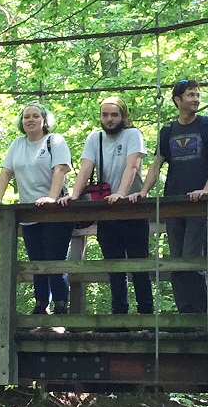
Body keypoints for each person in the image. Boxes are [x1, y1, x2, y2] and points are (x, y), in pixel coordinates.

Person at [128, 79, 208, 314]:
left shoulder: (207, 125)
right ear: (177, 100)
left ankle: (204, 315)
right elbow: (156, 165)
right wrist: (143, 191)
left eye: (197, 95)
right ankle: (185, 314)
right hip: (174, 204)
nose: (196, 99)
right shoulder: (168, 131)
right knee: (176, 260)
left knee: (193, 259)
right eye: (190, 95)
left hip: (200, 205)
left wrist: (207, 190)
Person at [60, 96, 152, 316]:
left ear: (123, 116)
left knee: (139, 263)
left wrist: (120, 194)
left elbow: (132, 166)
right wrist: (74, 194)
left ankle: (146, 313)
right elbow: (85, 169)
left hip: (132, 207)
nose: (109, 119)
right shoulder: (95, 139)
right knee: (113, 264)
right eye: (105, 115)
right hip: (106, 210)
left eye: (114, 114)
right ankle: (119, 313)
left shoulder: (133, 135)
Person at [0, 102, 72, 315]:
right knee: (36, 261)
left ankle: (61, 306)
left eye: (35, 116)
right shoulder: (17, 144)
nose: (30, 120)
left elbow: (60, 170)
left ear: (44, 121)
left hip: (54, 212)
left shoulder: (55, 141)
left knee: (54, 259)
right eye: (26, 117)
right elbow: (6, 172)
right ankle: (41, 305)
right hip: (29, 212)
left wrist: (51, 199)